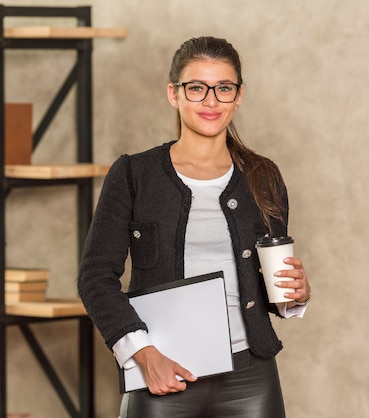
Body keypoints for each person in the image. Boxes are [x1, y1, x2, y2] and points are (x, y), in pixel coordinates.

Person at [77, 36, 311, 417]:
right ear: (174, 94)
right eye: (197, 88)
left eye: (223, 88)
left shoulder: (263, 176)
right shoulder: (135, 175)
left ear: (239, 96)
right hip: (163, 371)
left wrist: (296, 295)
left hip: (250, 375)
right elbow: (95, 277)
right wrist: (142, 354)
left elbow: (271, 287)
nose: (211, 101)